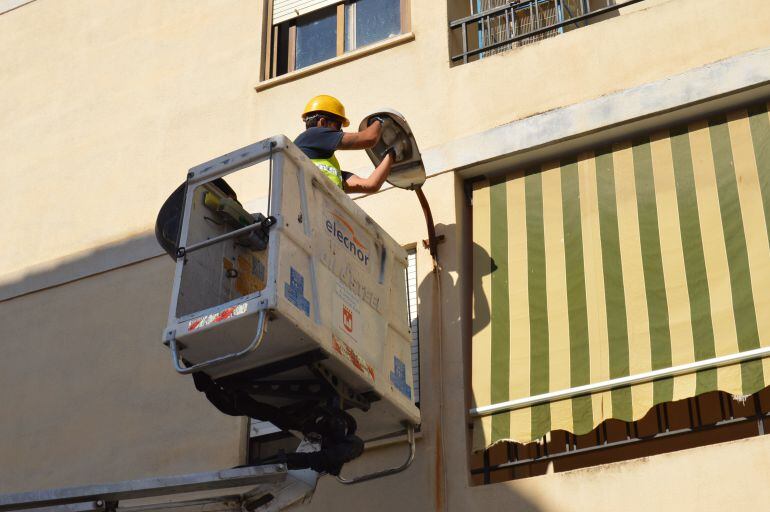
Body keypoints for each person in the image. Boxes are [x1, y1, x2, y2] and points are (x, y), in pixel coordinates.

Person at [294, 95, 395, 193]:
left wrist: (392, 154)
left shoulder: (332, 172)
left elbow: (370, 185)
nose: (340, 131)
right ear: (322, 122)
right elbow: (369, 139)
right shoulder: (313, 134)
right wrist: (379, 120)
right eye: (338, 125)